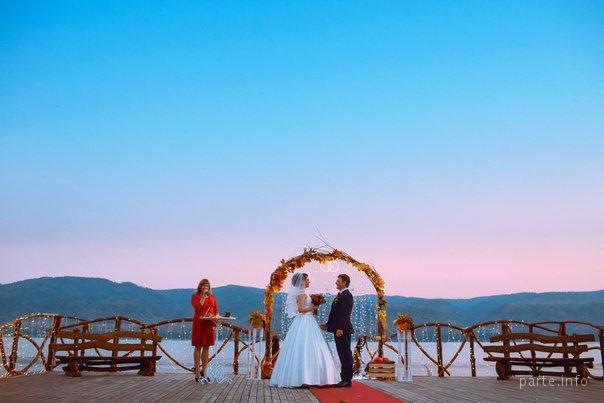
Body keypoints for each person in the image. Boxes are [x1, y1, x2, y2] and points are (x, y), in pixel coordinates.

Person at [269, 272, 340, 388]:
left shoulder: (302, 293)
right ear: (302, 281)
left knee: (307, 346)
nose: (309, 281)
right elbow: (301, 309)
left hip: (307, 320)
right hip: (305, 320)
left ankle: (307, 377)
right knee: (308, 346)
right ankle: (307, 378)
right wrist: (313, 307)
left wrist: (313, 308)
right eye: (307, 280)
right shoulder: (301, 294)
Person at [322, 274, 354, 387]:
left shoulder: (347, 295)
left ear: (344, 282)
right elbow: (335, 314)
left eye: (338, 281)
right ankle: (344, 378)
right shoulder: (340, 295)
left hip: (343, 329)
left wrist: (340, 328)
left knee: (345, 354)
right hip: (338, 329)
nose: (336, 282)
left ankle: (347, 379)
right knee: (341, 353)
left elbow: (345, 313)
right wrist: (328, 325)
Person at [191, 278, 219, 382]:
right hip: (199, 323)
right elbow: (197, 308)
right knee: (198, 346)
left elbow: (216, 310)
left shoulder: (212, 297)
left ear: (209, 287)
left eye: (207, 286)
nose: (205, 287)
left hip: (209, 324)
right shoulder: (195, 296)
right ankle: (197, 372)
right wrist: (203, 296)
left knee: (207, 347)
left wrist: (216, 317)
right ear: (200, 286)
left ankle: (205, 371)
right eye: (203, 285)